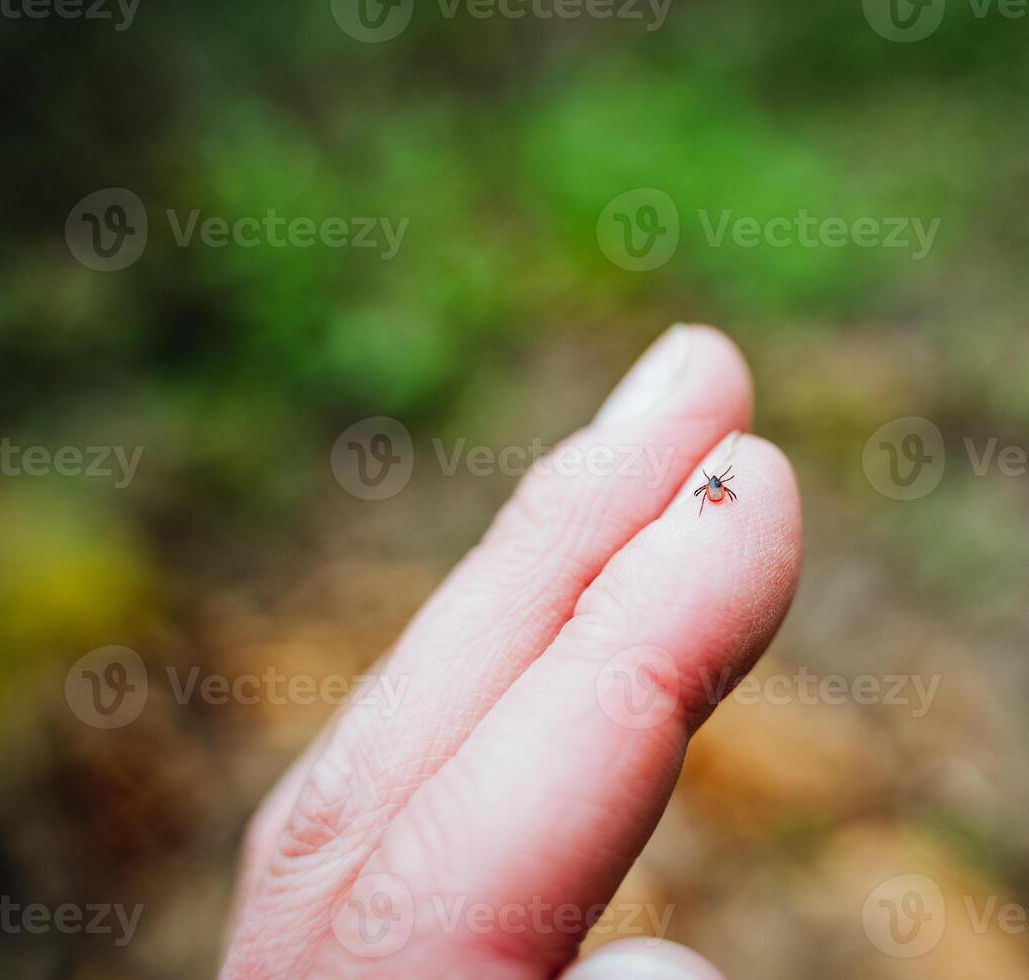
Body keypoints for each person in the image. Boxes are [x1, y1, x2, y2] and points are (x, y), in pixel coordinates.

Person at [222, 325, 804, 978]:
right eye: (716, 488)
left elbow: (717, 493)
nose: (715, 487)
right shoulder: (715, 488)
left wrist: (712, 495)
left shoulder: (715, 490)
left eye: (717, 488)